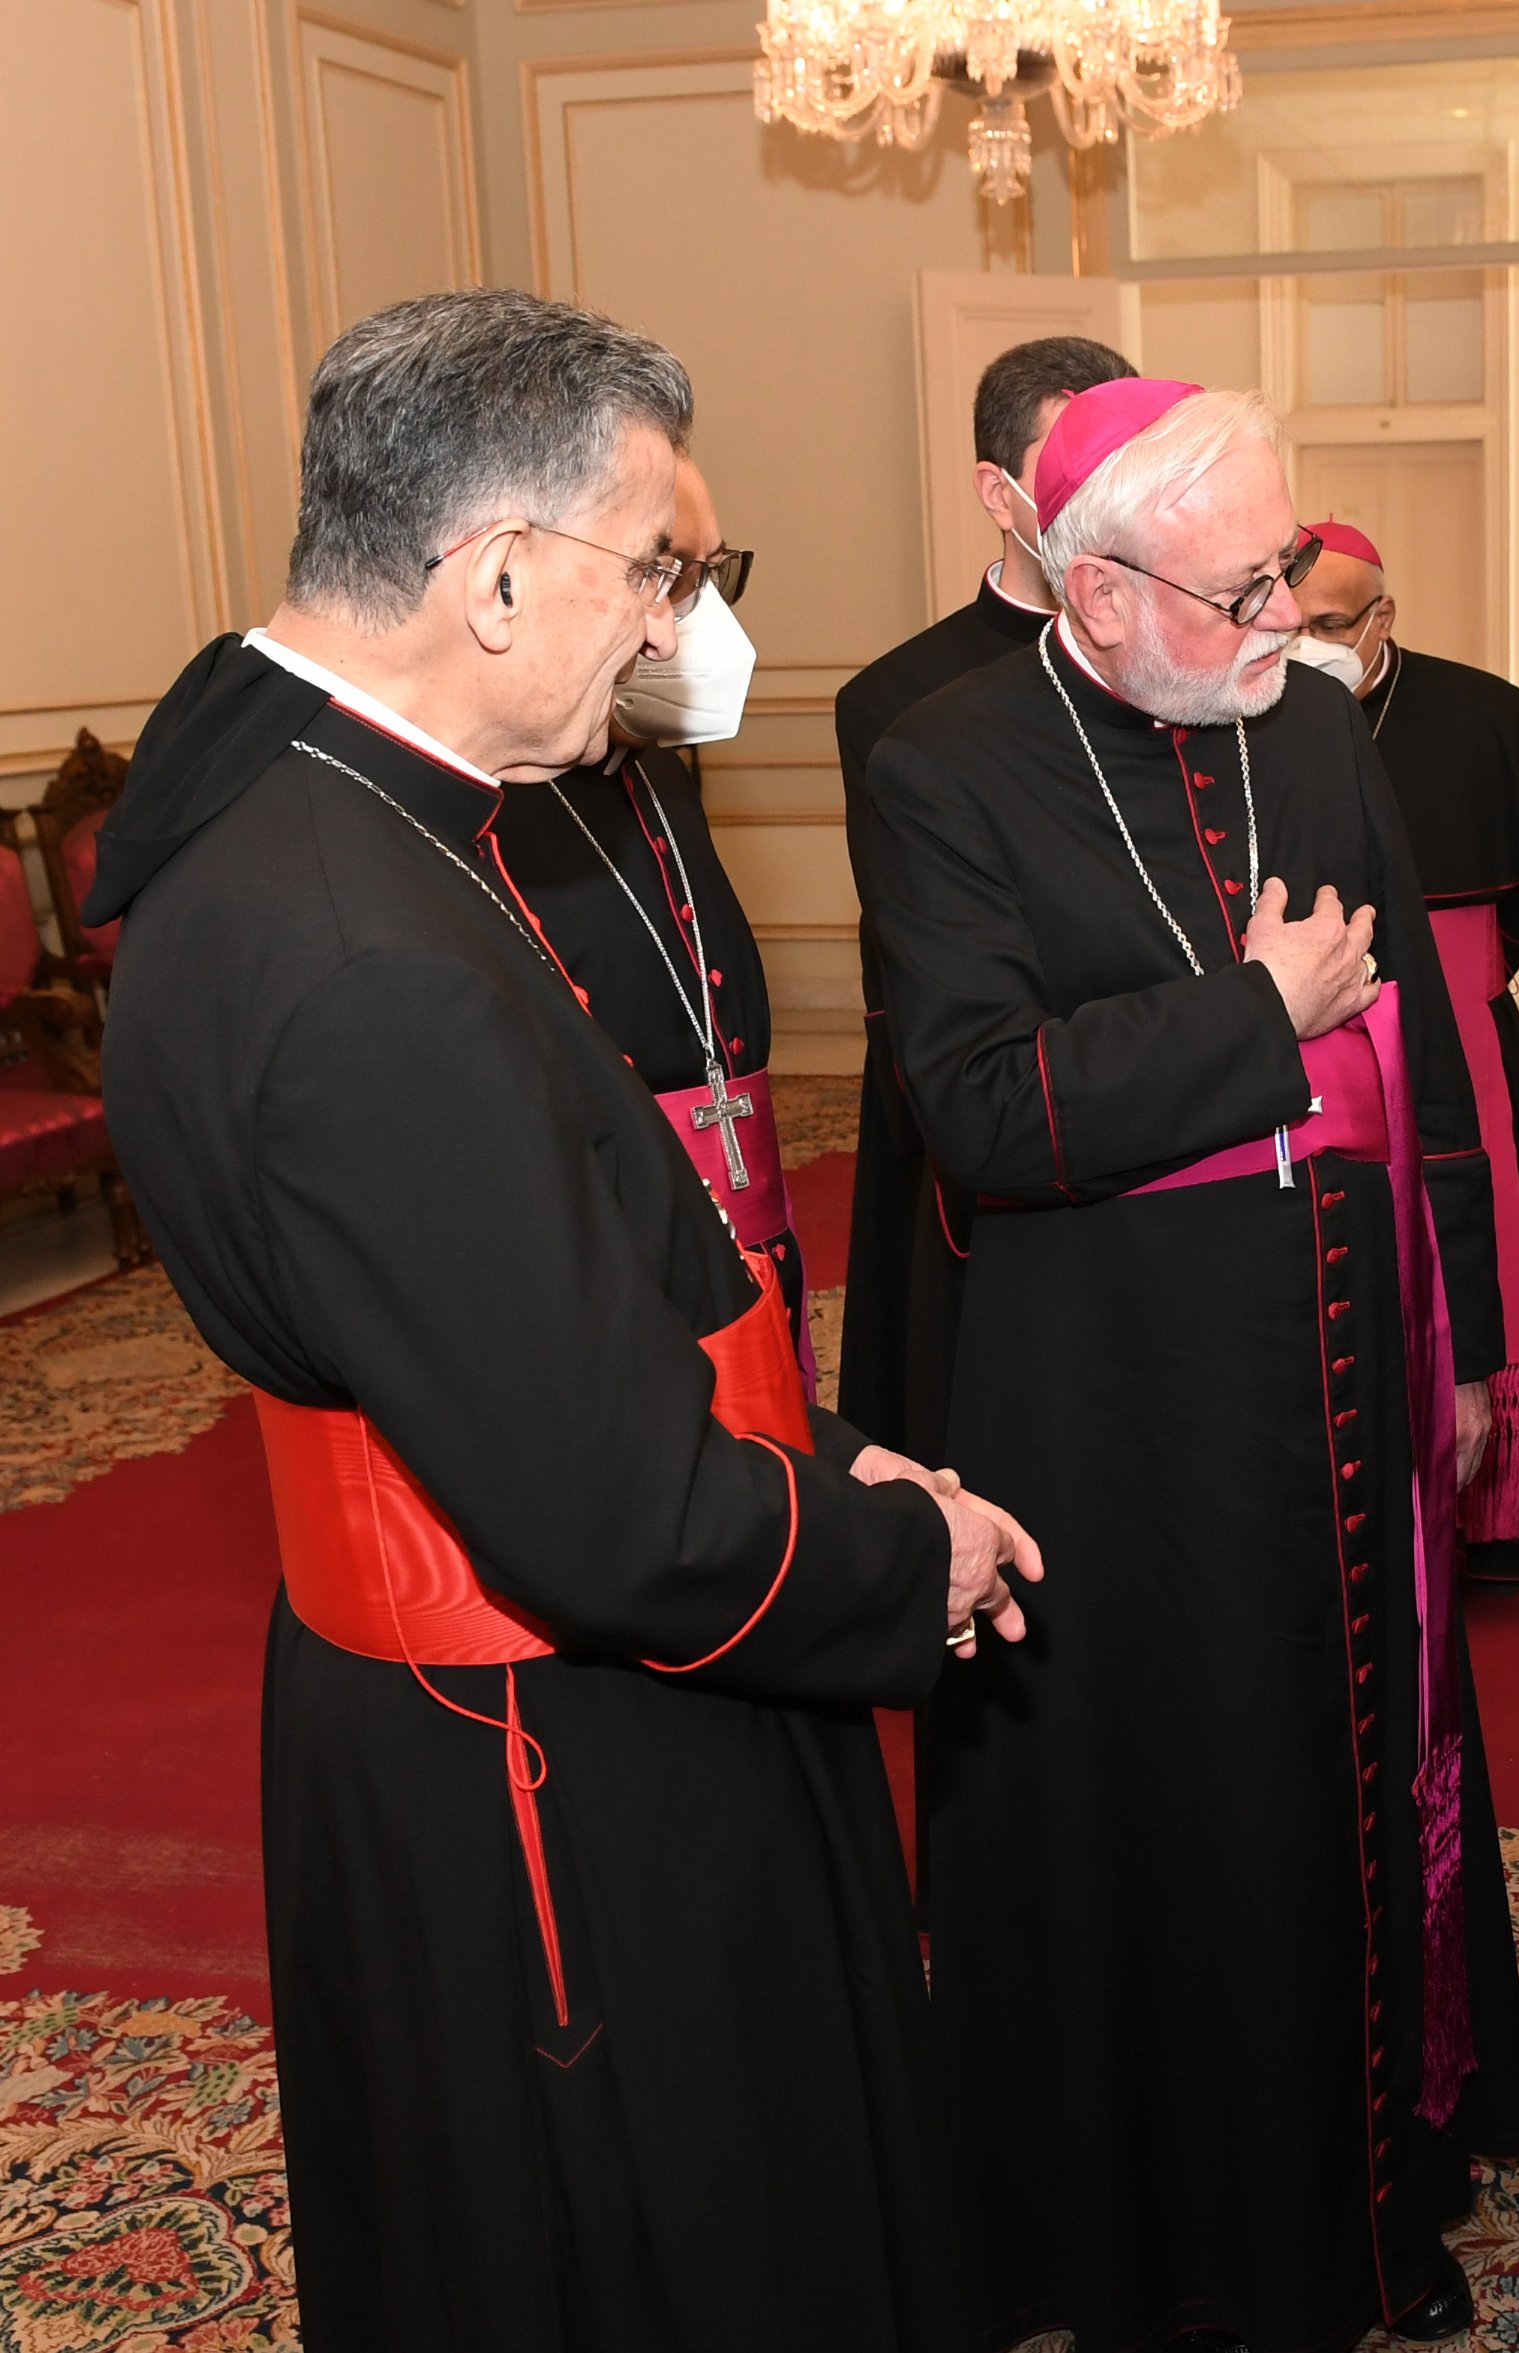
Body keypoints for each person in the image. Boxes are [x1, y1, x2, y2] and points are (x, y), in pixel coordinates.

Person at [84, 289, 1040, 2353]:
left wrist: (806, 1441)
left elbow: (543, 1316)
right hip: (558, 1750)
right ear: (502, 576)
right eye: (659, 569)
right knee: (668, 2233)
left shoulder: (318, 818)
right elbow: (613, 1519)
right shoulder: (364, 949)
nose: (671, 625)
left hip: (479, 1694)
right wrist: (899, 1548)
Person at [853, 378, 1519, 2351]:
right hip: (1114, 1409)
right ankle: (1153, 2240)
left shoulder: (1310, 726)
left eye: (1289, 574)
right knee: (1172, 1828)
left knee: (1347, 1791)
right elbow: (978, 1108)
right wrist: (1249, 1013)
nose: (1286, 625)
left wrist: (1473, 1327)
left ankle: (1368, 2205)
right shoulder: (947, 768)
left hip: (1341, 1347)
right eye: (1243, 589)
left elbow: (1424, 1055)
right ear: (1095, 591)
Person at [1289, 517, 1519, 1579]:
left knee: (1484, 1250)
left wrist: (1464, 981)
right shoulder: (1250, 718)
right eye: (1287, 623)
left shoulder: (1490, 722)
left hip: (1458, 1043)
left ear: (1381, 618)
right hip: (1303, 1051)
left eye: (1329, 625)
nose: (1305, 645)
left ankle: (1487, 1520)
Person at [835, 333, 1133, 1460]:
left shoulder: (1179, 659)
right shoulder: (899, 699)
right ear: (997, 493)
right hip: (981, 1093)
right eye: (1062, 471)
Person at [488, 456, 815, 1380]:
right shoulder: (480, 803)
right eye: (666, 571)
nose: (685, 622)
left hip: (750, 1235)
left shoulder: (655, 766)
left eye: (713, 574)